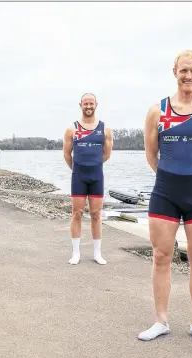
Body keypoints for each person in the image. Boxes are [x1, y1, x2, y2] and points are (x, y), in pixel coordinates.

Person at [139, 50, 192, 346]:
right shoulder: (158, 110)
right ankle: (161, 321)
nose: (188, 76)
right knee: (161, 256)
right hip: (165, 192)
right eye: (183, 70)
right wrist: (168, 177)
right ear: (174, 71)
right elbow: (151, 154)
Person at [63, 93, 113, 265]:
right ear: (81, 105)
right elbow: (67, 154)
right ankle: (75, 253)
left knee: (96, 214)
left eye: (91, 103)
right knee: (76, 213)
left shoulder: (105, 129)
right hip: (79, 177)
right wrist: (78, 168)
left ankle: (97, 253)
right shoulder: (72, 129)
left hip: (96, 176)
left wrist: (93, 165)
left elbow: (106, 154)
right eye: (86, 104)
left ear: (96, 105)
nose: (89, 106)